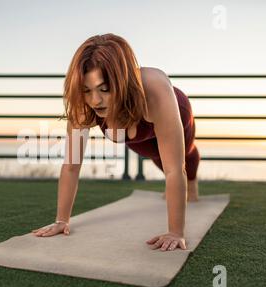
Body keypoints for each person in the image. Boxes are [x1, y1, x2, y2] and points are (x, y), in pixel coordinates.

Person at [32, 34, 201, 252]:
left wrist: (175, 232)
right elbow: (72, 166)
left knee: (182, 157)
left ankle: (193, 186)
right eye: (87, 90)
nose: (95, 100)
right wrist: (61, 220)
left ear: (122, 82)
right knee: (155, 156)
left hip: (173, 109)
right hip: (131, 129)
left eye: (104, 89)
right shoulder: (83, 107)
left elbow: (175, 170)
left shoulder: (155, 91)